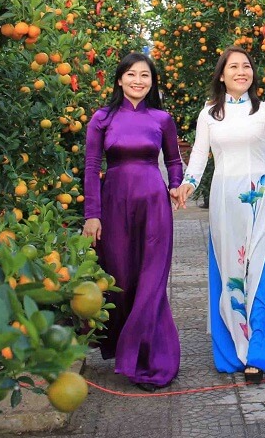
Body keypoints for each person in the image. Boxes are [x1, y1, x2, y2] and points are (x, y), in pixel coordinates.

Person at [176, 46, 265, 384]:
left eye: (246, 66)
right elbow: (200, 154)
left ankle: (259, 352)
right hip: (223, 200)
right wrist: (187, 184)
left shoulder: (264, 110)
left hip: (259, 198)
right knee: (229, 272)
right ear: (221, 74)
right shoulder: (209, 114)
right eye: (234, 67)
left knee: (256, 272)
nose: (241, 72)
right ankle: (236, 349)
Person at [82, 52, 184, 392]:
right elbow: (92, 167)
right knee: (121, 278)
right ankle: (125, 349)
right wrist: (91, 215)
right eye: (131, 74)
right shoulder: (101, 118)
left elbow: (173, 159)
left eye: (145, 75)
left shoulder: (162, 118)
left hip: (154, 204)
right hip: (113, 205)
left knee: (151, 279)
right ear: (119, 79)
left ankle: (153, 359)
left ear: (152, 82)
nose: (138, 81)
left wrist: (175, 185)